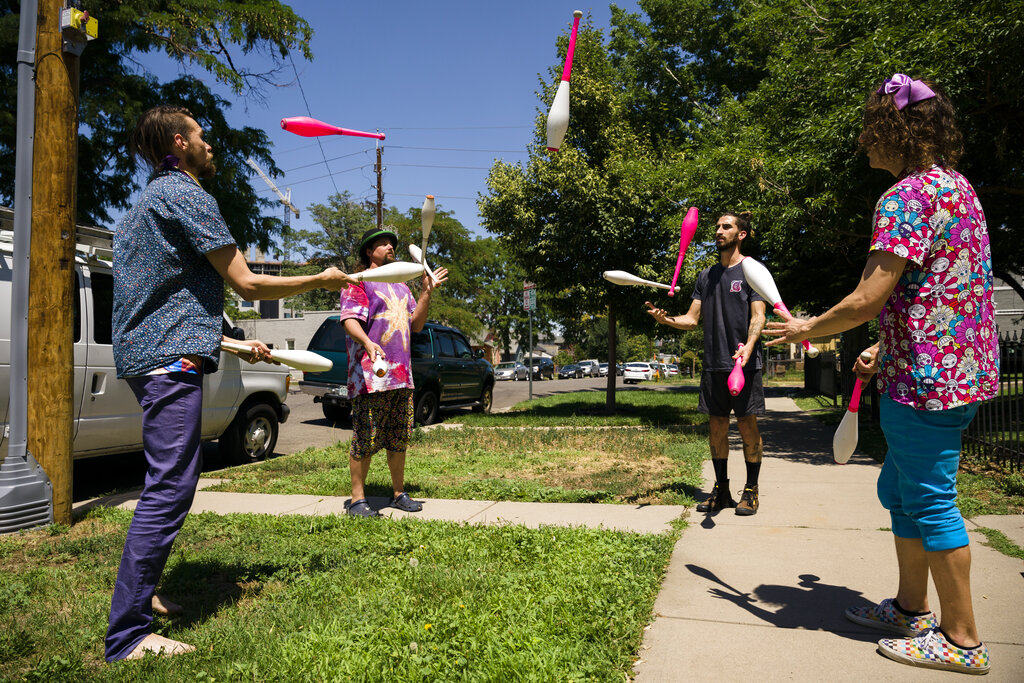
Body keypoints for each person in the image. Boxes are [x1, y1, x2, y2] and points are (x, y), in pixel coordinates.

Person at [763, 74, 998, 675]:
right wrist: (887, 352)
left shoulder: (904, 198)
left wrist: (805, 328)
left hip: (926, 380)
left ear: (898, 130)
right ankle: (910, 608)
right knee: (897, 492)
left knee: (929, 499)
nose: (864, 140)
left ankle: (962, 639)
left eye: (871, 126)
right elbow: (939, 294)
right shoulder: (959, 189)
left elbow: (871, 297)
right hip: (948, 369)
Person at [108, 105, 355, 662]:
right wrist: (322, 277)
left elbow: (160, 299)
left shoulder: (144, 204)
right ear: (180, 141)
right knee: (170, 485)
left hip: (147, 357)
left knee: (169, 480)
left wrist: (236, 343)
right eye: (200, 135)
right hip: (169, 363)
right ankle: (126, 636)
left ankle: (145, 595)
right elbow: (245, 282)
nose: (209, 144)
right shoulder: (189, 195)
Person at [647, 211, 767, 515]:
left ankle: (751, 490)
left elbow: (759, 316)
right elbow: (691, 319)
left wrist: (750, 346)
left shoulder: (752, 271)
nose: (718, 231)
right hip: (714, 364)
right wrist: (668, 319)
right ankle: (722, 488)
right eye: (716, 227)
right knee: (716, 427)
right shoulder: (707, 276)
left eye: (726, 227)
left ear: (741, 234)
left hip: (744, 364)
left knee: (747, 426)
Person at [340, 227, 448, 517]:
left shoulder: (402, 286)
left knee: (398, 438)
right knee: (366, 437)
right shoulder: (358, 281)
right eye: (383, 243)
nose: (390, 246)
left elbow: (416, 325)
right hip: (370, 375)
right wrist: (367, 341)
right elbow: (349, 320)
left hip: (402, 376)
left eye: (392, 244)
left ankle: (399, 493)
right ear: (368, 251)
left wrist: (426, 292)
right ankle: (357, 500)